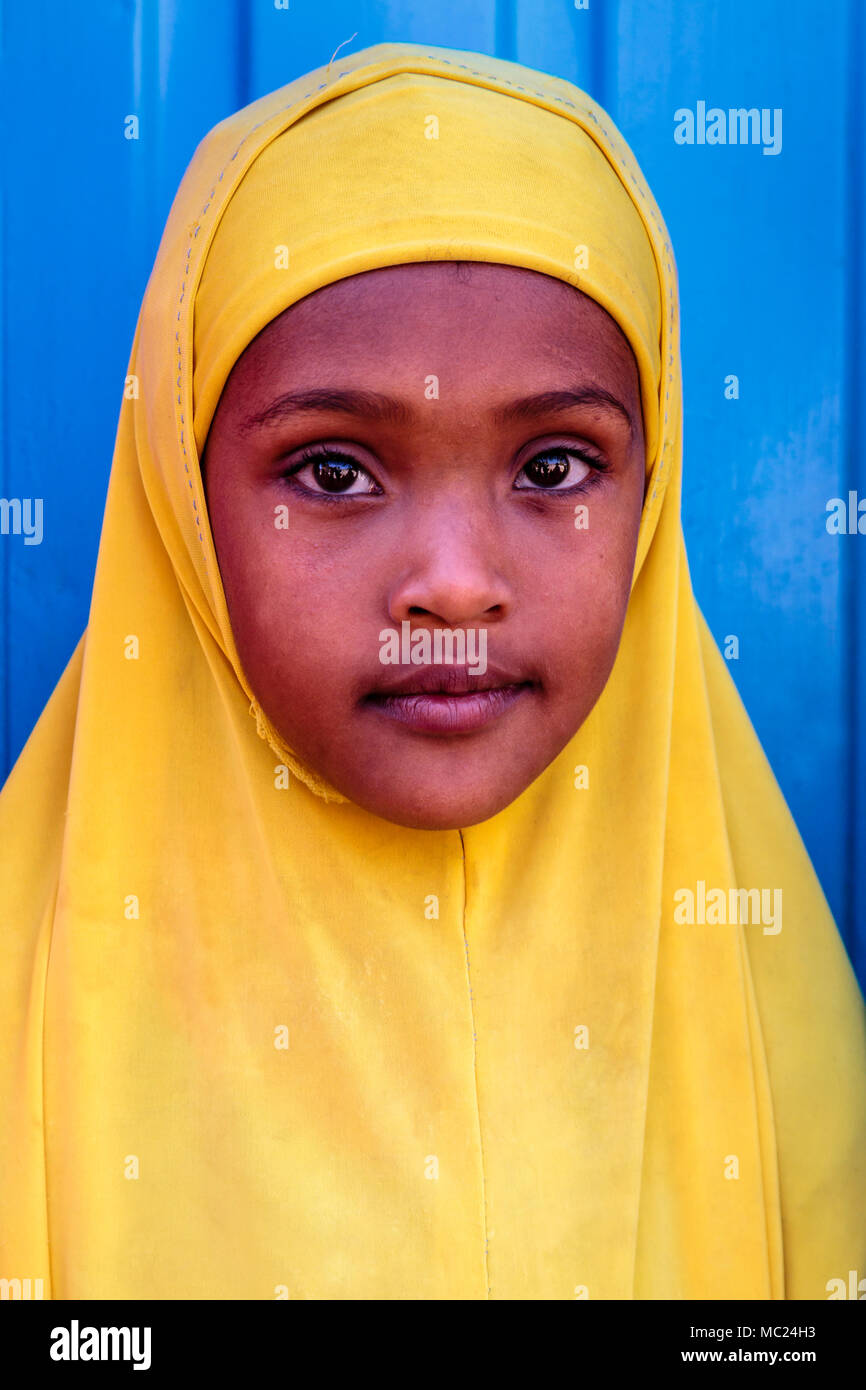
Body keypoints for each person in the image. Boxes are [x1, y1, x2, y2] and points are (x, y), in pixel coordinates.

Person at [1, 40, 863, 1300]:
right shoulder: (27, 1012)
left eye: (555, 467)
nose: (453, 583)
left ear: (650, 492)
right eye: (333, 470)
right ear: (184, 508)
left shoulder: (769, 1009)